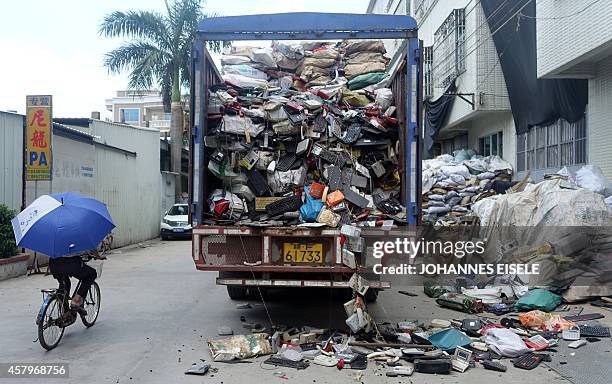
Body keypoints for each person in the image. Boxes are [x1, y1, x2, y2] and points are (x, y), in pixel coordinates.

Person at [48, 249, 104, 315]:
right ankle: (76, 300)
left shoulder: (55, 239)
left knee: (65, 283)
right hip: (71, 263)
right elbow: (91, 249)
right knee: (92, 274)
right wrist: (98, 256)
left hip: (54, 264)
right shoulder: (80, 238)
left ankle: (64, 311)